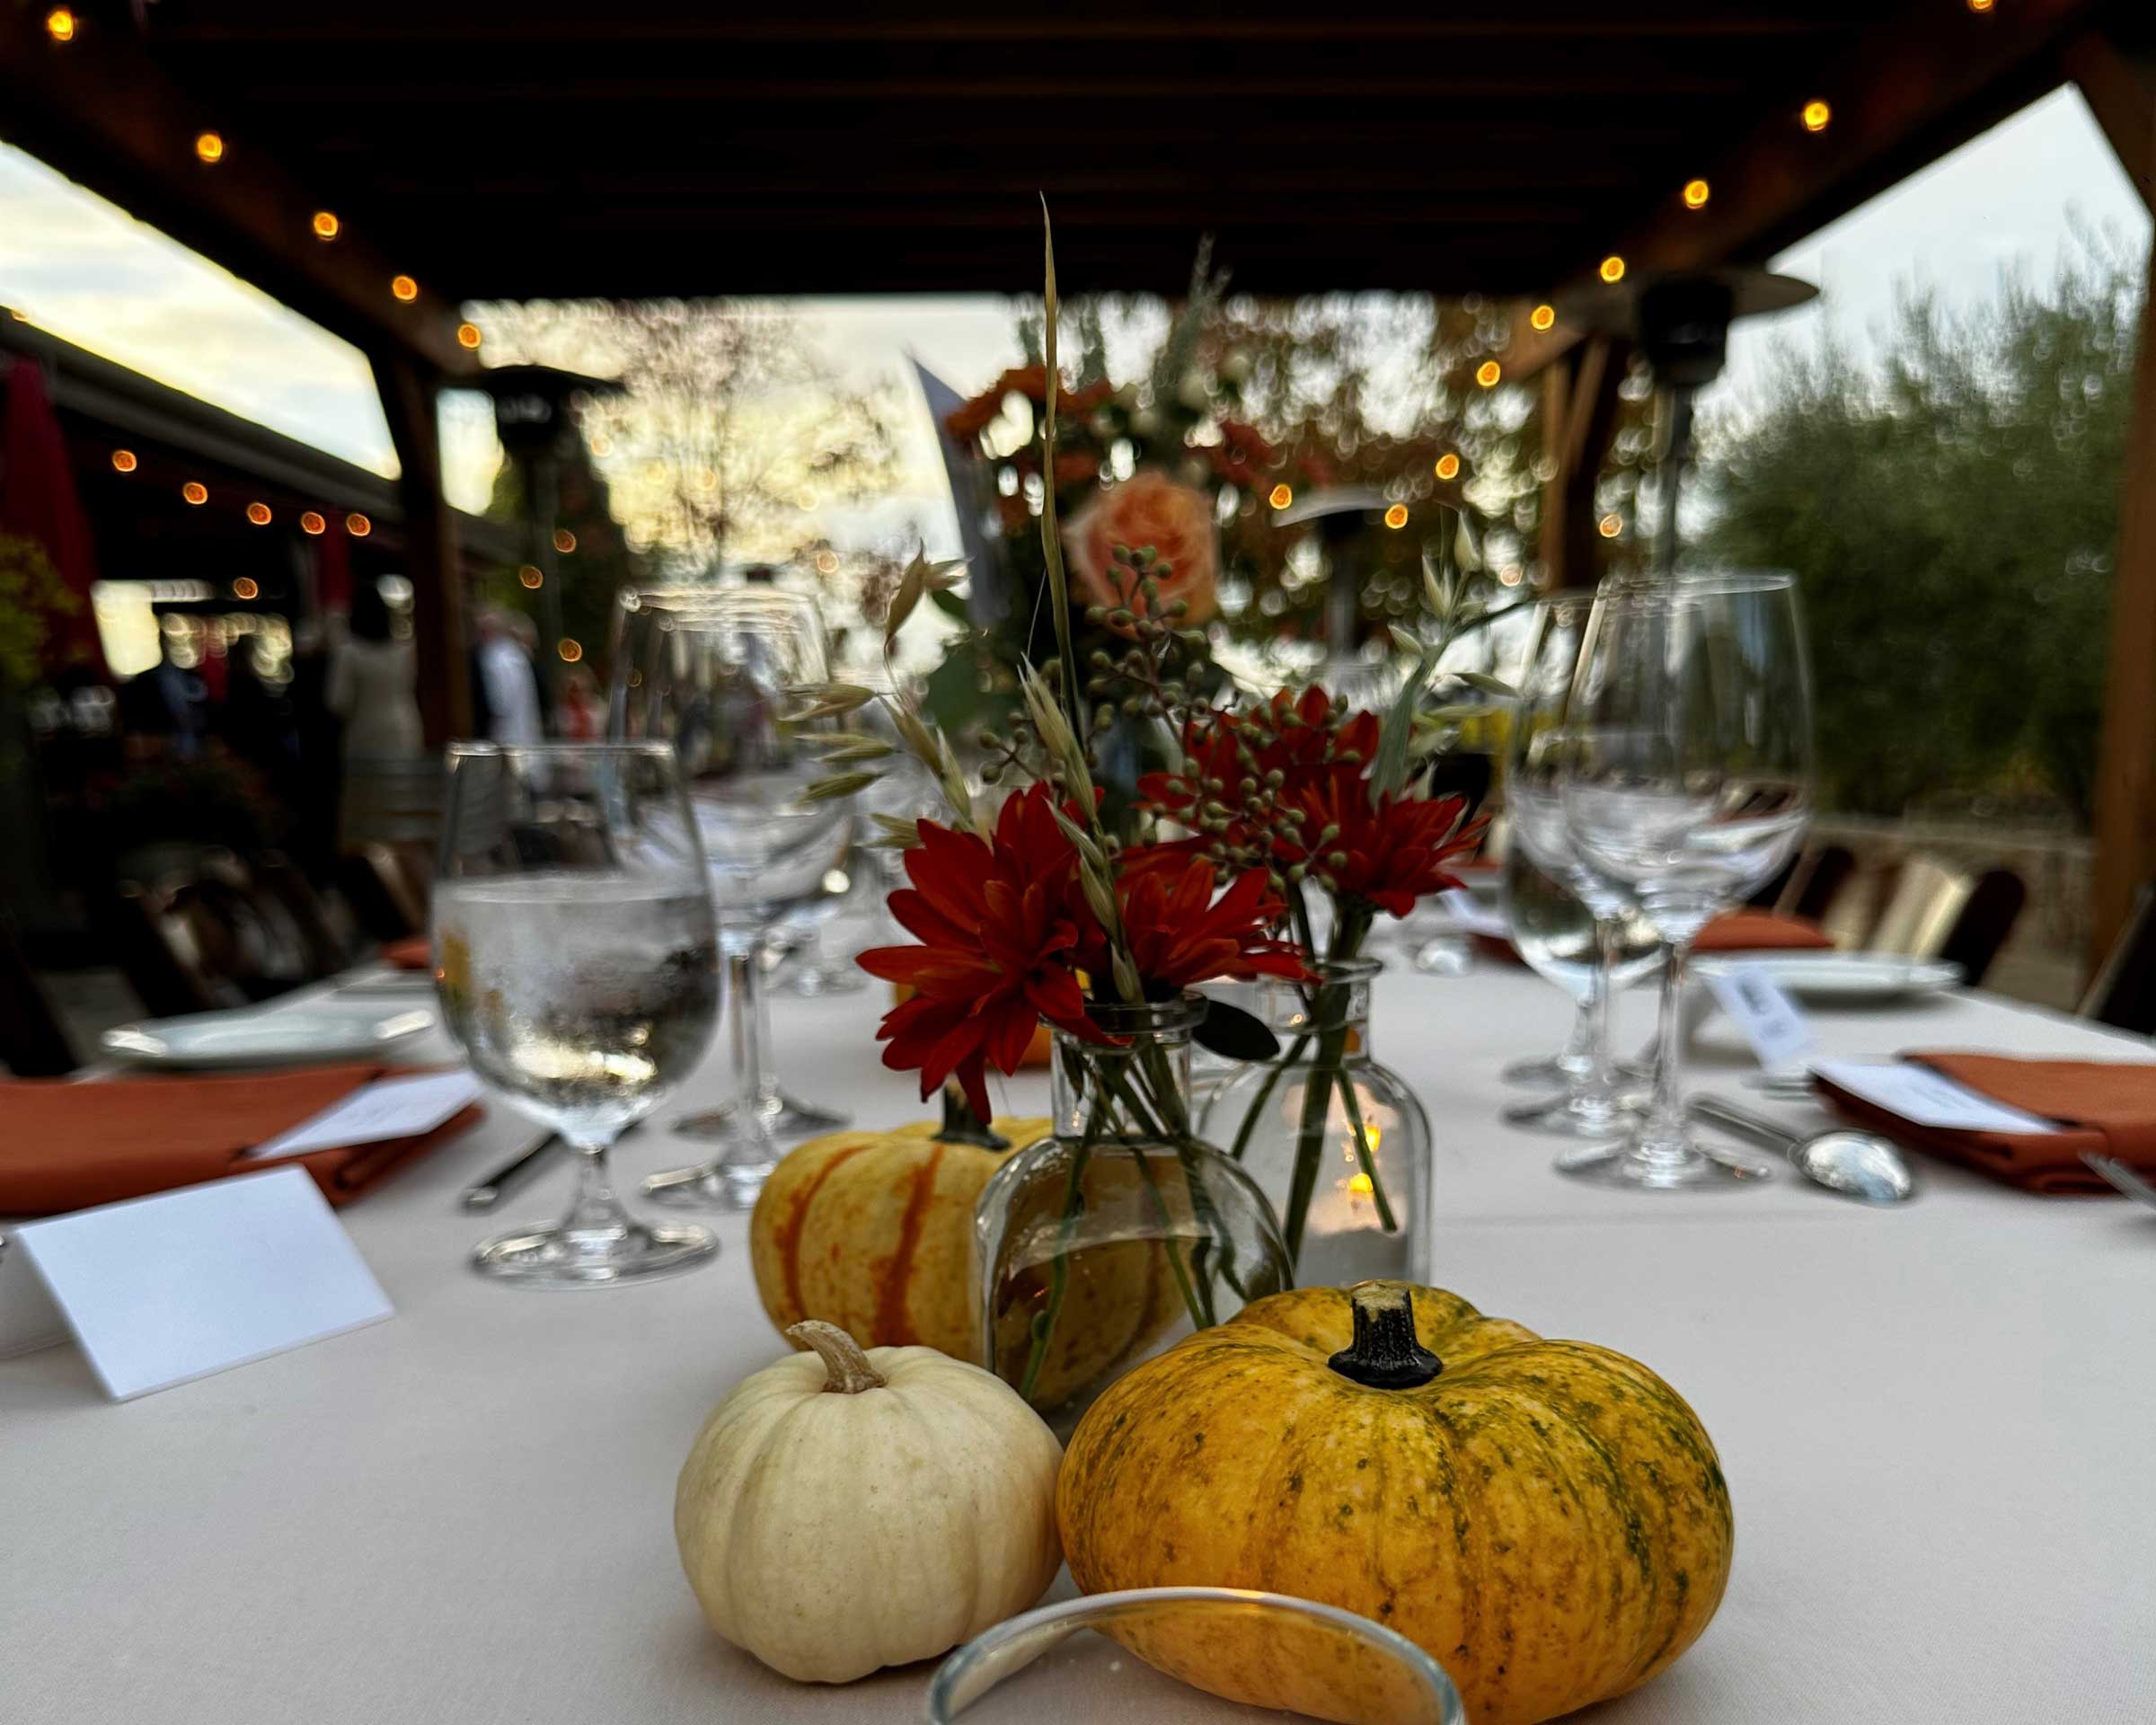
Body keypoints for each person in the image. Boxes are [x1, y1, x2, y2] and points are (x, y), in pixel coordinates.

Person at [326, 579, 425, 851]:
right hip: (405, 729)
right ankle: (404, 868)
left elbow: (338, 701)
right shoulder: (404, 650)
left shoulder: (349, 652)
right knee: (400, 805)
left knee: (368, 814)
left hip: (366, 734)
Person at [475, 607, 544, 746]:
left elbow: (500, 702)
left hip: (504, 733)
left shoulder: (493, 658)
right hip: (523, 729)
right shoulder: (517, 656)